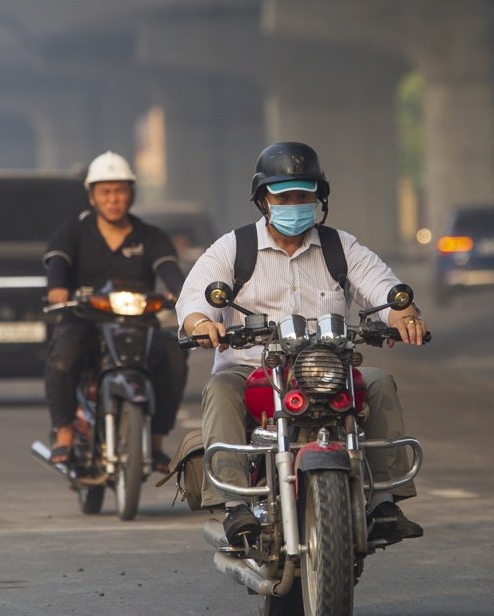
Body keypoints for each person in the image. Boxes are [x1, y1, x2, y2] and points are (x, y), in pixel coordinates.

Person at [178, 141, 430, 550]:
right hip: (253, 370)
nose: (295, 204)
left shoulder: (340, 247)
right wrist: (202, 323)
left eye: (304, 195)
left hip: (328, 369)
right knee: (221, 389)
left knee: (380, 381)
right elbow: (195, 299)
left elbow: (384, 288)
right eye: (284, 196)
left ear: (319, 198)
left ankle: (384, 502)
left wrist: (402, 315)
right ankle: (234, 503)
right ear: (264, 200)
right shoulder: (233, 248)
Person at [42, 152, 189, 468]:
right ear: (92, 196)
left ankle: (156, 440)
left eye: (120, 191)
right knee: (63, 355)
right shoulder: (75, 230)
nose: (113, 199)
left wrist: (181, 292)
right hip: (85, 320)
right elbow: (58, 261)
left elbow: (168, 267)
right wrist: (57, 286)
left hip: (137, 322)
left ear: (131, 194)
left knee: (173, 355)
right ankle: (64, 433)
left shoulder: (150, 236)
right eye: (105, 192)